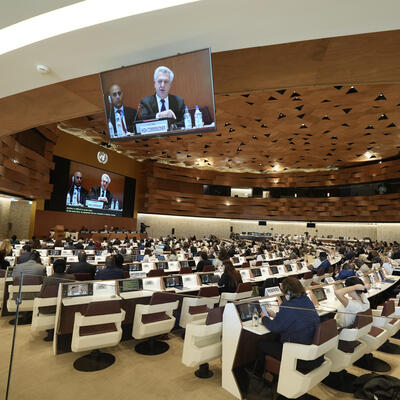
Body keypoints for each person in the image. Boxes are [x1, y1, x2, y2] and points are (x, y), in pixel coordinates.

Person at [251, 277, 321, 378]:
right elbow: (296, 317)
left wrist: (264, 318)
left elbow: (275, 327)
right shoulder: (307, 300)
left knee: (261, 344)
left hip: (298, 354)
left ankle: (258, 375)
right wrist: (276, 315)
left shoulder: (287, 305)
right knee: (275, 339)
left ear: (287, 291)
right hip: (310, 350)